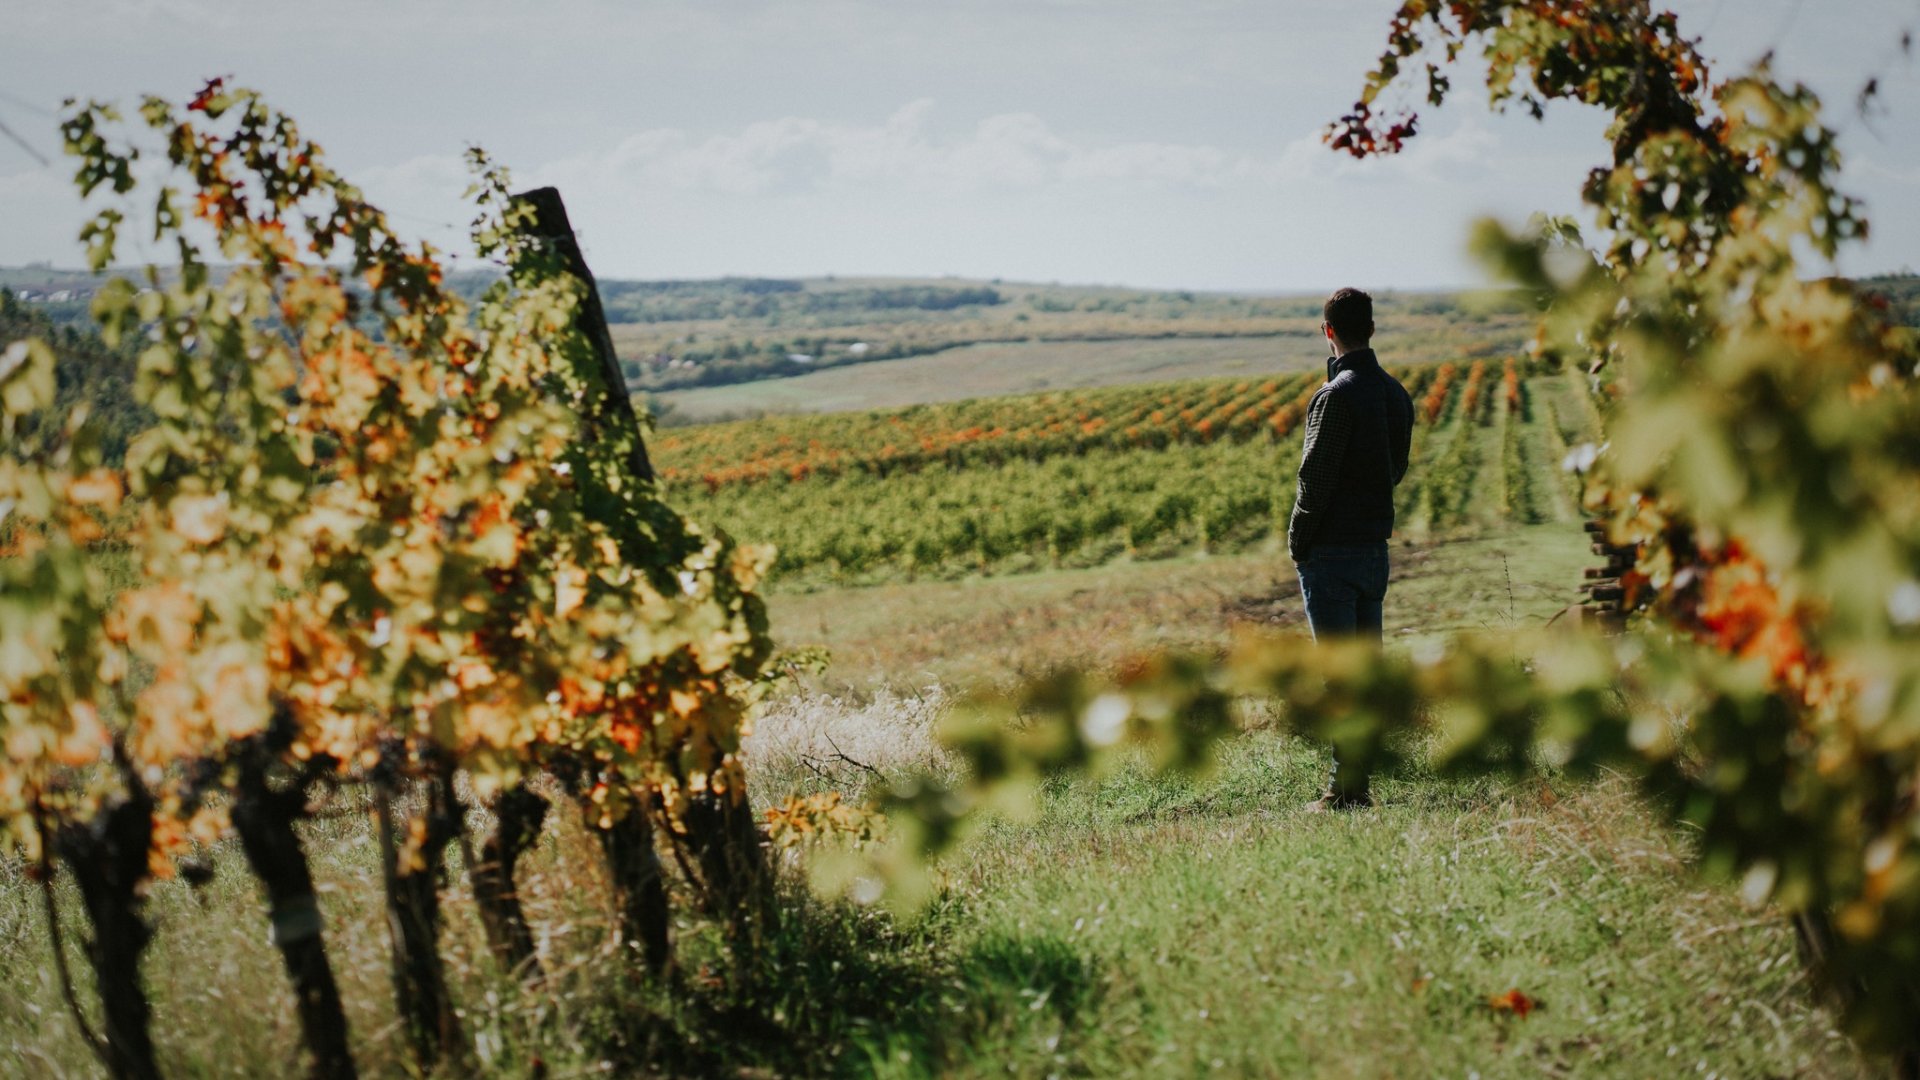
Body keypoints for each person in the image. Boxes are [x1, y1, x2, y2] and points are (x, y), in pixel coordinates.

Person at [1287, 287, 1414, 812]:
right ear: (1372, 329)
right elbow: (1396, 470)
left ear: (1328, 330)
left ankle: (1347, 790)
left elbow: (1315, 478)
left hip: (1333, 550)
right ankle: (1357, 781)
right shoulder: (1393, 392)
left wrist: (1298, 537)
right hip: (1373, 548)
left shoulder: (1334, 395)